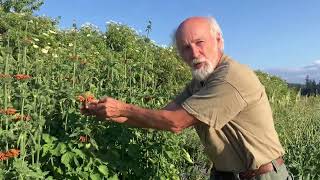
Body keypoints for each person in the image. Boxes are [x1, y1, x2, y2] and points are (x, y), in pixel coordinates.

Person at [81, 16, 293, 180]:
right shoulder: (199, 82)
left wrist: (122, 109)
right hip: (227, 175)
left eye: (200, 42)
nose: (194, 52)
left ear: (219, 40)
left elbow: (175, 123)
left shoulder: (230, 77)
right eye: (185, 47)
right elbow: (162, 117)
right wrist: (104, 111)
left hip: (261, 176)